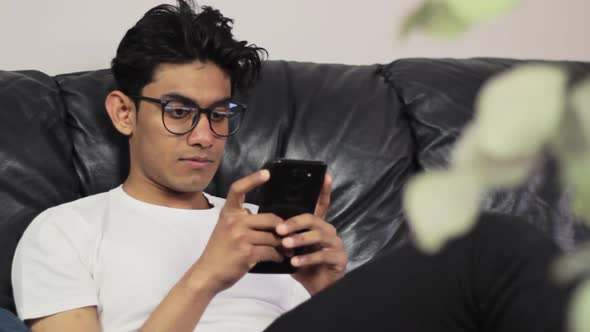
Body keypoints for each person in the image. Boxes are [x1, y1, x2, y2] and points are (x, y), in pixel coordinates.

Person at [8, 1, 581, 332]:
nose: (206, 136)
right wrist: (207, 276)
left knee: (502, 247)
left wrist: (328, 285)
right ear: (124, 112)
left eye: (220, 114)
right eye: (180, 111)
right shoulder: (65, 231)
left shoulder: (265, 226)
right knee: (492, 246)